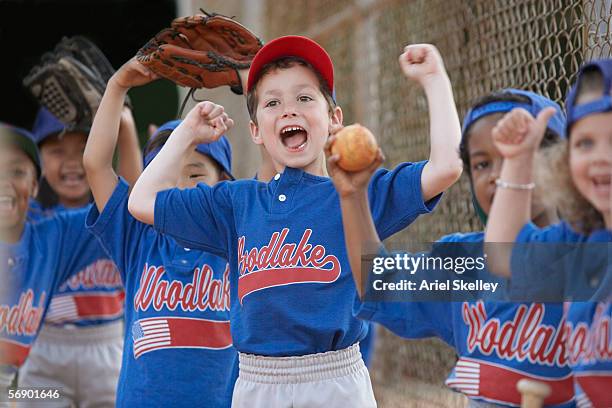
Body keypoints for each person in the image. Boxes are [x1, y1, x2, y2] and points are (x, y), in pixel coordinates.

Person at [127, 35, 462, 406]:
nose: (289, 110)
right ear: (256, 131)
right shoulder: (236, 203)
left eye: (304, 98)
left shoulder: (356, 189)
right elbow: (142, 201)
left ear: (334, 120)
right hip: (258, 382)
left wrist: (434, 80)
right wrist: (186, 134)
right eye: (273, 103)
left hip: (335, 379)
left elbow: (446, 167)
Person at [334, 90, 576, 407]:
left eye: (518, 154)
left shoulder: (586, 255)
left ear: (560, 162)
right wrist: (353, 197)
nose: (498, 175)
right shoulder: (465, 263)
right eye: (482, 163)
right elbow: (378, 282)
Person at [82, 57, 238, 407]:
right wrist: (117, 86)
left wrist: (251, 81)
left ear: (224, 184)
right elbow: (95, 165)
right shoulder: (137, 236)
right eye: (166, 177)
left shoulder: (236, 237)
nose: (181, 188)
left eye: (196, 175)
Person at [485, 60, 612, 408]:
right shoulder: (582, 237)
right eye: (585, 143)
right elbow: (504, 255)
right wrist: (518, 157)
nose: (602, 157)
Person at [0, 124, 116, 406]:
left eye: (16, 171)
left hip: (23, 380)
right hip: (42, 357)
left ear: (34, 185)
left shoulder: (48, 241)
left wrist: (122, 123)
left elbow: (117, 209)